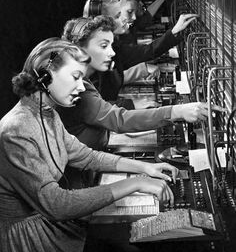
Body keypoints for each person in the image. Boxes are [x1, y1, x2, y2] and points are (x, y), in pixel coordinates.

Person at [0, 37, 181, 252]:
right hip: (31, 239)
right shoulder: (15, 130)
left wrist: (145, 168)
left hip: (52, 224)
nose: (80, 87)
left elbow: (86, 156)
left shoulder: (48, 114)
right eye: (76, 77)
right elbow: (55, 204)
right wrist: (134, 184)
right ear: (44, 78)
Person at [60, 16, 224, 152]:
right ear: (79, 48)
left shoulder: (82, 79)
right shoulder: (76, 87)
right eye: (103, 46)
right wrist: (177, 111)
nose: (111, 52)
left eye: (110, 45)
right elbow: (118, 120)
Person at [82, 0, 198, 102]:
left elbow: (148, 51)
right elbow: (96, 109)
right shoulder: (88, 60)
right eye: (117, 16)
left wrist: (174, 31)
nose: (125, 19)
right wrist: (133, 105)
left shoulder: (114, 49)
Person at [112, 0, 184, 45]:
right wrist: (173, 32)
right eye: (130, 12)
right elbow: (149, 51)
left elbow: (147, 16)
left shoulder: (130, 25)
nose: (134, 17)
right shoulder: (114, 41)